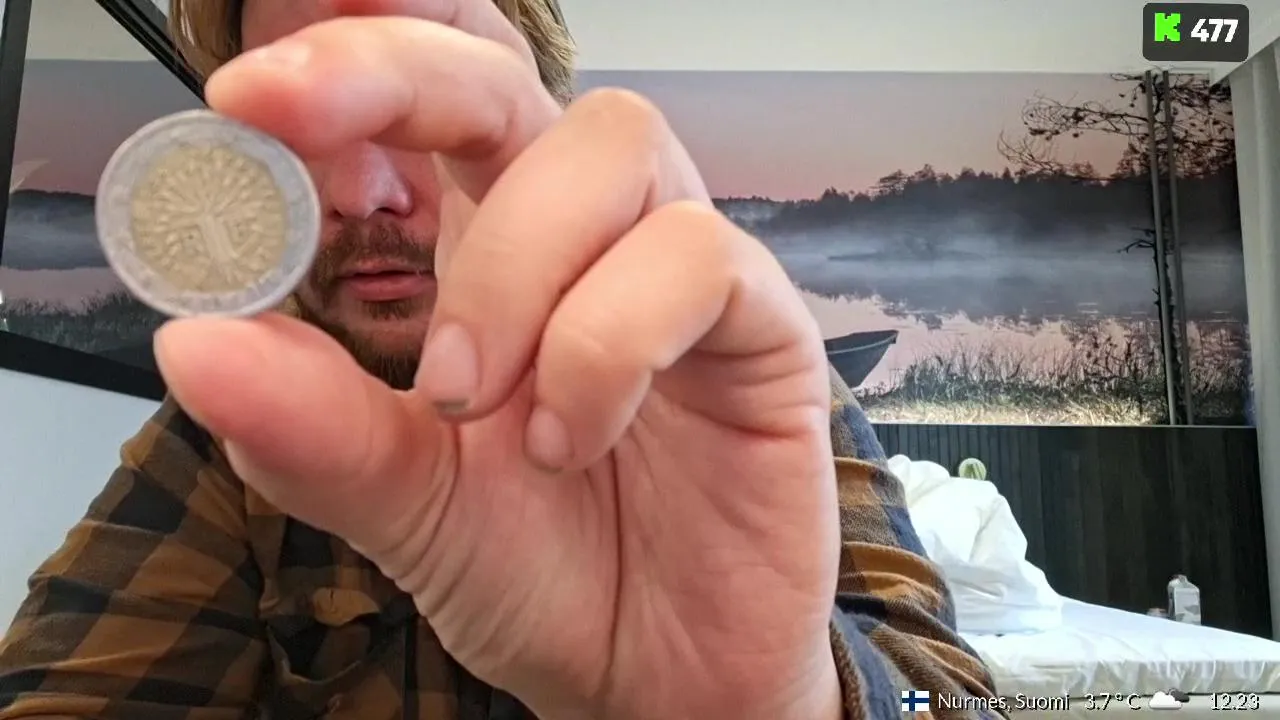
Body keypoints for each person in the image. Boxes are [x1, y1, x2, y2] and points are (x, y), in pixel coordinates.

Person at [0, 0, 1002, 718]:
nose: (359, 195)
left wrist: (784, 700)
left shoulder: (720, 390)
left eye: (414, 111)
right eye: (297, 129)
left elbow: (951, 701)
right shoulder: (240, 433)